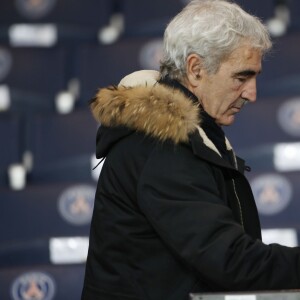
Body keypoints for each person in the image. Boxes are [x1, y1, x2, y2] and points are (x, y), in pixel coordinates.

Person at [81, 1, 300, 299]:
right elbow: (232, 262)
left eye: (255, 77)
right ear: (196, 69)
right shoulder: (161, 145)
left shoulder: (186, 136)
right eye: (241, 77)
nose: (252, 93)